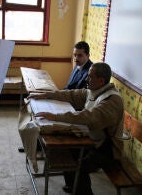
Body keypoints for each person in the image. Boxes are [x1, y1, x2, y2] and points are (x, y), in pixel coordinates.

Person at [29, 62, 124, 194]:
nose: (86, 79)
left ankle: (83, 192)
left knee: (79, 165)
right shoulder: (95, 90)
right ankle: (72, 185)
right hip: (94, 139)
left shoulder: (112, 100)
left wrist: (56, 116)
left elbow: (89, 117)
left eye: (90, 76)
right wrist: (46, 94)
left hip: (107, 149)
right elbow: (72, 95)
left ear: (101, 80)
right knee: (66, 151)